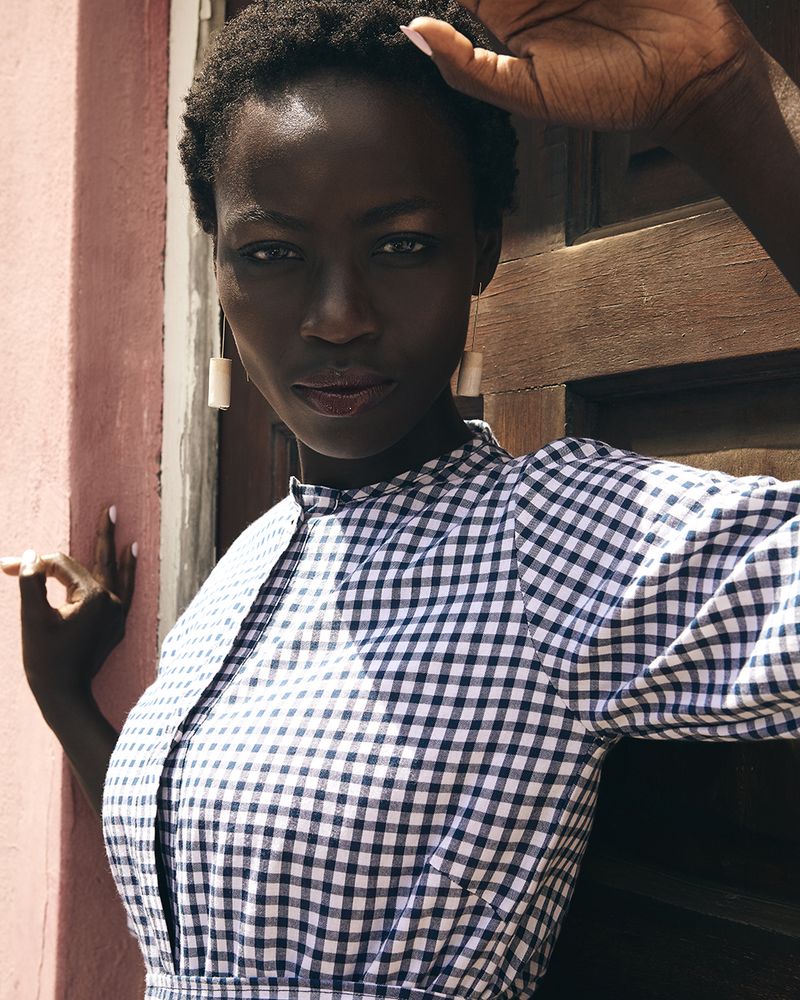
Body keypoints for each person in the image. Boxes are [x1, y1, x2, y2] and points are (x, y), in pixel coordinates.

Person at [2, 0, 799, 996]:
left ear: (482, 251)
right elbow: (205, 910)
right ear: (218, 271)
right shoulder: (249, 565)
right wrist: (68, 699)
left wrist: (720, 101)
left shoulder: (549, 544)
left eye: (402, 245)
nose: (338, 318)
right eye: (272, 253)